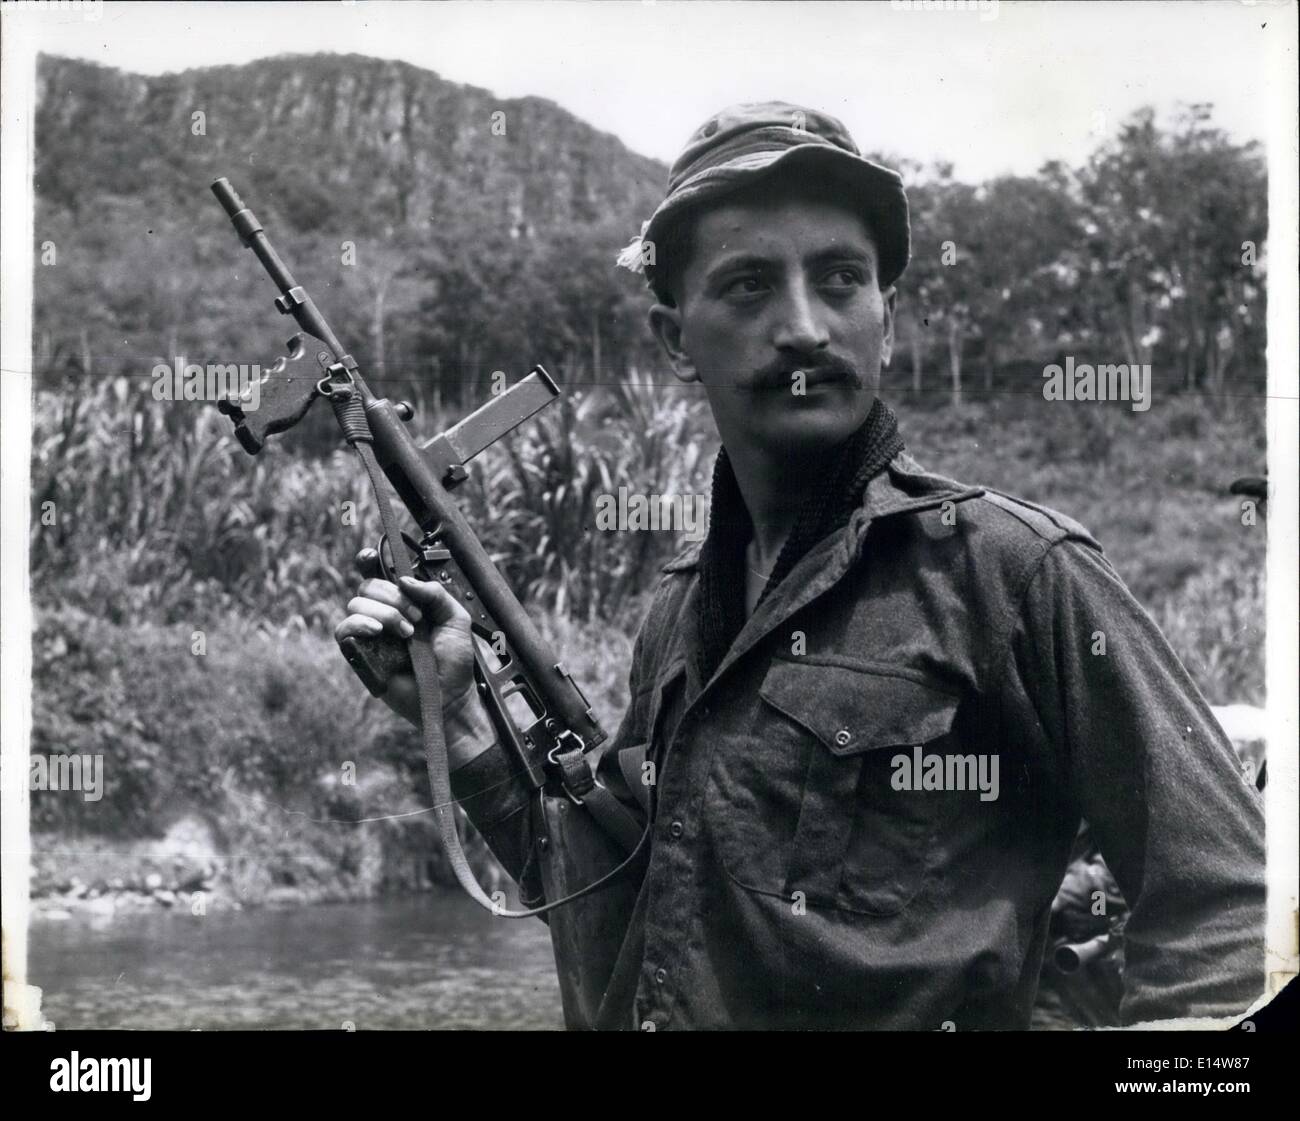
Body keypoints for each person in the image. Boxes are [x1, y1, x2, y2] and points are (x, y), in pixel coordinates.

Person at [334, 102, 1266, 1030]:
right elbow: (619, 903)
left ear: (887, 320)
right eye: (747, 286)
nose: (805, 328)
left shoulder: (1015, 573)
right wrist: (461, 723)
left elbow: (1231, 911)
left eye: (840, 280)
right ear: (675, 341)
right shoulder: (682, 610)